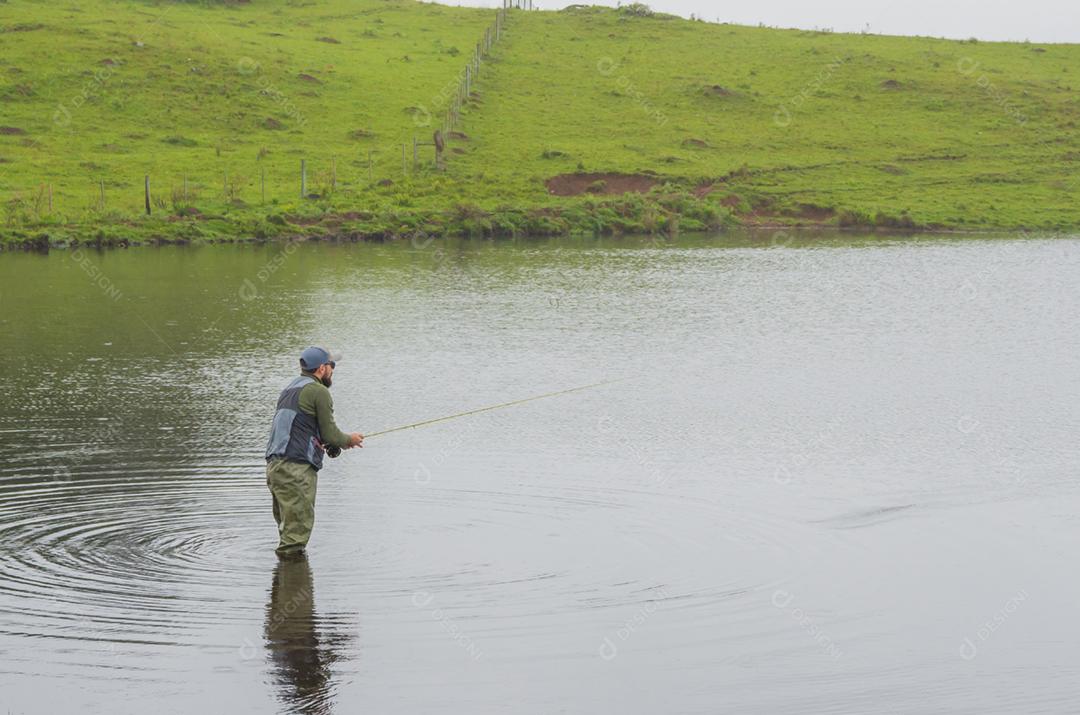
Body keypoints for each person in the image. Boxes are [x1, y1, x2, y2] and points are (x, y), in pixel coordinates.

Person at [265, 346, 363, 558]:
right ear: (321, 368)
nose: (333, 369)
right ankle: (293, 585)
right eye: (331, 365)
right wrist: (350, 440)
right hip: (296, 470)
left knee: (287, 531)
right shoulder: (319, 391)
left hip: (275, 468)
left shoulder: (290, 388)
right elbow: (331, 435)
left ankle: (282, 586)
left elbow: (304, 429)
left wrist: (328, 443)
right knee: (295, 539)